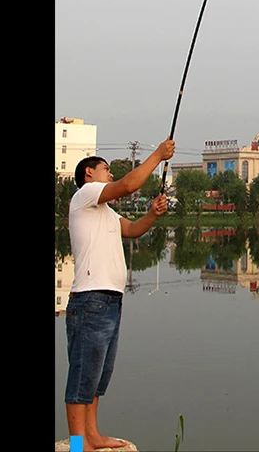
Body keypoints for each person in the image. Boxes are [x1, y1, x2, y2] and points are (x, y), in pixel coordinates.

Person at [64, 138, 175, 451]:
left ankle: (93, 435)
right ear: (88, 173)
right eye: (106, 169)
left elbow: (133, 230)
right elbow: (128, 185)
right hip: (89, 300)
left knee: (98, 375)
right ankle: (76, 445)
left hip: (110, 301)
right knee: (82, 375)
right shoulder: (84, 195)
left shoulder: (105, 213)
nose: (110, 175)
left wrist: (152, 213)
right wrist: (157, 155)